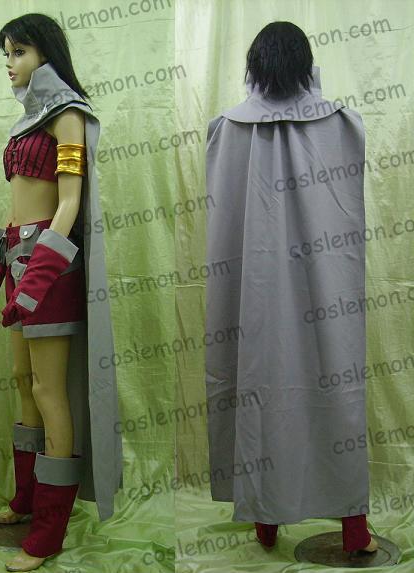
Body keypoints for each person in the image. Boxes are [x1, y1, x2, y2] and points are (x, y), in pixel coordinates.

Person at [204, 21, 377, 555]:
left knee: (256, 383)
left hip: (251, 298)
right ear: (305, 64)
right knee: (336, 385)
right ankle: (354, 528)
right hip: (325, 293)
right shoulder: (342, 125)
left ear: (255, 66)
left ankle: (266, 520)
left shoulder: (225, 129)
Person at [0, 13, 123, 572]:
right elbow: (20, 201)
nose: (9, 63)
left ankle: (51, 529)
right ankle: (27, 497)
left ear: (45, 54)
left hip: (51, 267)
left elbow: (69, 202)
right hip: (19, 256)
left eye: (18, 52)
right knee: (21, 379)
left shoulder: (68, 116)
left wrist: (37, 275)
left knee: (48, 387)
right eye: (6, 53)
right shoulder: (26, 124)